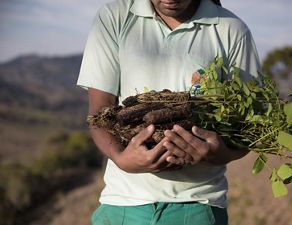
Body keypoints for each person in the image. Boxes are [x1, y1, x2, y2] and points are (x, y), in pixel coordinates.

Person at [77, 0, 261, 224]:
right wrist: (122, 159)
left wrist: (218, 153)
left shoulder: (231, 29)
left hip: (197, 206)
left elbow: (248, 127)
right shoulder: (115, 16)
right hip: (122, 204)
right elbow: (99, 110)